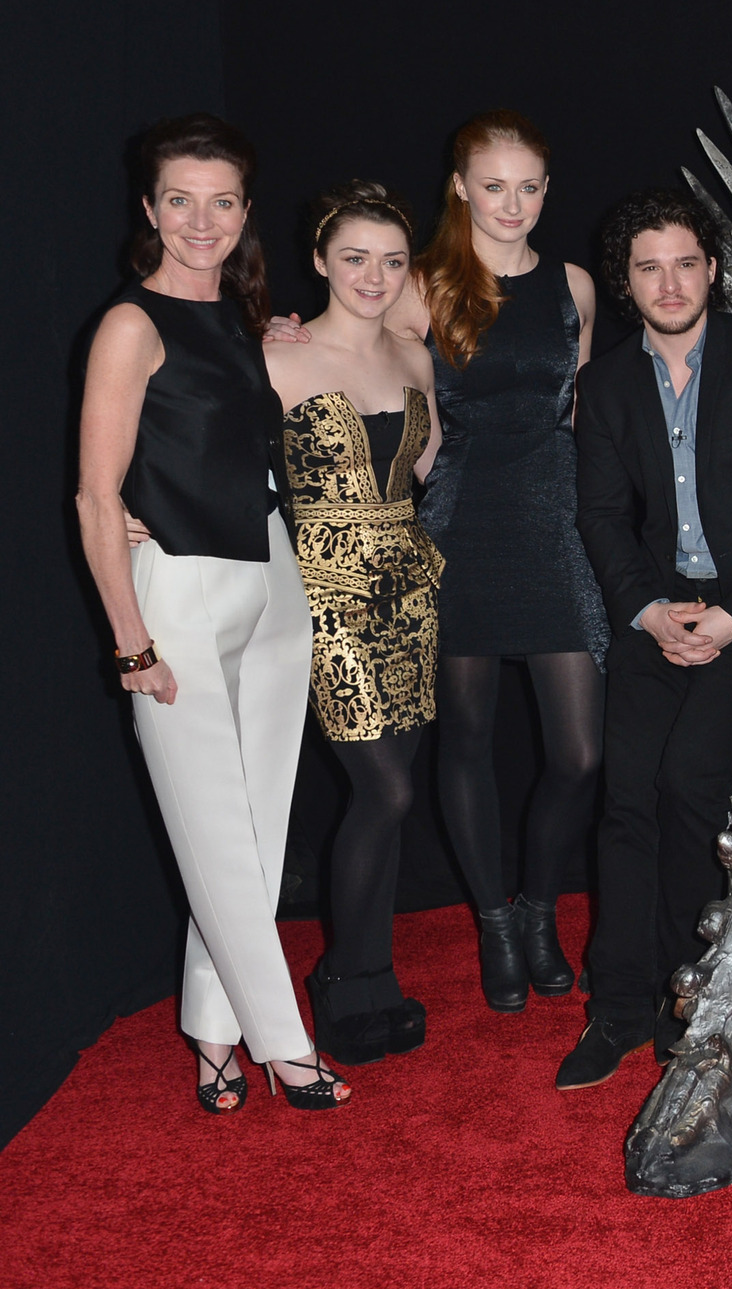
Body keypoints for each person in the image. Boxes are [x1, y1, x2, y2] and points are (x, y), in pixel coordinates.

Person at [276, 111, 607, 1009]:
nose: (513, 203)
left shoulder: (574, 285)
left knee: (577, 753)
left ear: (547, 189)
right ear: (459, 186)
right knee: (463, 741)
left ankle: (539, 908)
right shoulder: (419, 287)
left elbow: (577, 414)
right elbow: (362, 353)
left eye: (529, 186)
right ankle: (496, 927)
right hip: (456, 531)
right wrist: (286, 335)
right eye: (492, 185)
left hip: (553, 526)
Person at [76, 113, 347, 1111]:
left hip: (272, 582)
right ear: (150, 210)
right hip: (177, 594)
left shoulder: (242, 319)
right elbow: (96, 499)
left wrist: (277, 336)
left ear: (243, 211)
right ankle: (285, 1044)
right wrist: (130, 645)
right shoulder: (128, 324)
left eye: (221, 200)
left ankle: (212, 1026)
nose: (202, 218)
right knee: (215, 828)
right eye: (180, 199)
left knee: (253, 826)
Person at [556, 190, 732, 1089]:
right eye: (648, 267)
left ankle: (688, 998)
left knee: (687, 789)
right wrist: (646, 611)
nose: (669, 282)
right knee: (624, 796)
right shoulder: (603, 383)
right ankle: (618, 1005)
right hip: (654, 611)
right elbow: (599, 514)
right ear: (626, 283)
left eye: (685, 262)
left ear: (712, 269)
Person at [265, 181, 443, 1064]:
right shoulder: (277, 360)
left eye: (391, 260)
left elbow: (424, 467)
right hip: (324, 592)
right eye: (353, 258)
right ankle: (347, 973)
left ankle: (372, 974)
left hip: (409, 588)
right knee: (387, 788)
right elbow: (207, 453)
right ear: (318, 262)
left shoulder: (415, 355)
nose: (373, 276)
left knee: (394, 791)